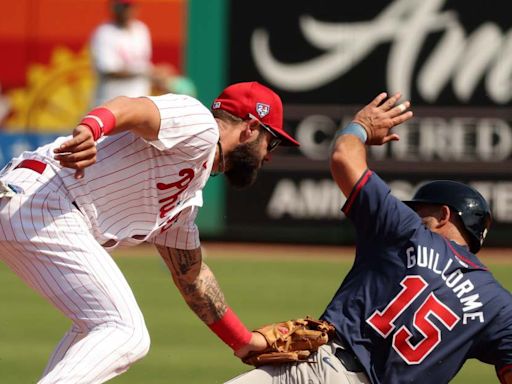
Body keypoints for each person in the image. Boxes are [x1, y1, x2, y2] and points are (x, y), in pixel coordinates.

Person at [0, 81, 296, 383]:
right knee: (126, 332)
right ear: (250, 128)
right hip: (46, 200)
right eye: (270, 142)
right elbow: (134, 109)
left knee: (95, 329)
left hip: (36, 205)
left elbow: (192, 278)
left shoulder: (188, 197)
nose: (268, 155)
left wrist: (243, 340)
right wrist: (92, 127)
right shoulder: (201, 127)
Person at [226, 92, 512, 384]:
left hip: (325, 373)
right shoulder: (499, 305)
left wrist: (360, 126)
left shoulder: (407, 231)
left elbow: (343, 156)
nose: (412, 213)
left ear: (444, 215)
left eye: (420, 209)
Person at [90, 0, 171, 106]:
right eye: (123, 6)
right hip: (111, 104)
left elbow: (142, 64)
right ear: (114, 8)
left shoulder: (141, 29)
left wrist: (157, 76)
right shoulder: (105, 32)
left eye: (129, 6)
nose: (126, 11)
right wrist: (146, 72)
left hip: (138, 101)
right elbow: (109, 71)